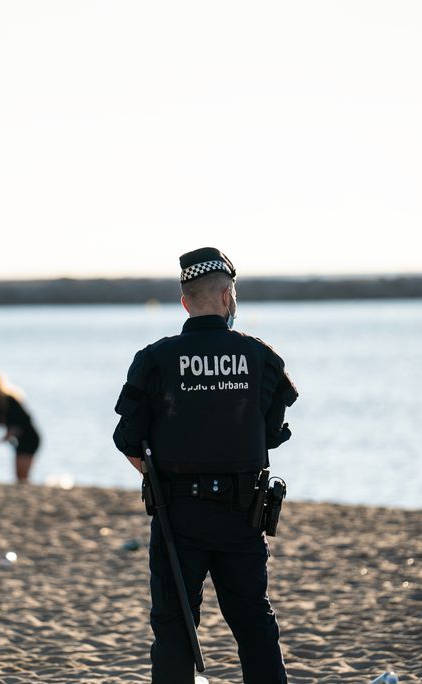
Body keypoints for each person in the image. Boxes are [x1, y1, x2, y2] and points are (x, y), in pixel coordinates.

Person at [112, 247, 299, 684]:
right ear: (227, 297)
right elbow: (272, 433)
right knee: (254, 625)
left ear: (184, 301)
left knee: (174, 630)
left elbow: (127, 439)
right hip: (241, 514)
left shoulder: (155, 359)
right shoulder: (260, 357)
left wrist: (165, 475)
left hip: (178, 516)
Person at [0, 374, 41, 483]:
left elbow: (16, 428)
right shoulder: (0, 402)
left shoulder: (10, 401)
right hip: (21, 440)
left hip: (30, 439)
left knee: (23, 475)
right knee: (18, 475)